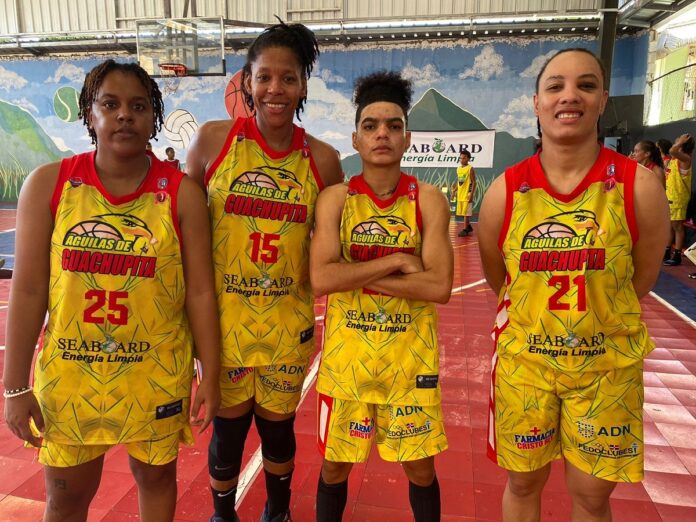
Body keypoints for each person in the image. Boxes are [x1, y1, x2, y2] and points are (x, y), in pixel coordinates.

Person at [2, 59, 221, 522]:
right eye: (110, 104)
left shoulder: (180, 194)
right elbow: (28, 291)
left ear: (153, 117)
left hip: (156, 374)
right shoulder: (50, 184)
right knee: (65, 499)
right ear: (90, 113)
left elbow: (200, 293)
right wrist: (15, 386)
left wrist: (211, 374)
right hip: (72, 378)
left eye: (139, 106)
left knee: (156, 481)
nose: (125, 115)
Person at [478, 48, 669, 522]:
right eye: (555, 86)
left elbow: (640, 280)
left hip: (606, 369)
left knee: (591, 495)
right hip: (526, 366)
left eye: (586, 85)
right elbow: (499, 278)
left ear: (603, 100)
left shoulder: (638, 186)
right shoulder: (505, 191)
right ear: (537, 102)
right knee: (523, 483)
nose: (570, 96)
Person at [185, 21, 342, 522]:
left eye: (288, 78)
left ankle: (278, 512)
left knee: (277, 432)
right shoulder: (212, 142)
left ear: (303, 86)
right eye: (265, 77)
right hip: (223, 325)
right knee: (228, 431)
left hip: (286, 328)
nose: (276, 89)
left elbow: (332, 251)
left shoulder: (323, 160)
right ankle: (223, 515)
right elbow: (183, 237)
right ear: (247, 83)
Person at [310, 71, 453, 522]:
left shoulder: (427, 199)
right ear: (356, 138)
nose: (382, 134)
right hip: (346, 364)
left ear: (407, 138)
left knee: (421, 469)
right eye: (371, 126)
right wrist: (396, 261)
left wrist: (351, 273)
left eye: (393, 125)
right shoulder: (336, 199)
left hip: (411, 365)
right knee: (334, 468)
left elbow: (439, 287)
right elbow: (321, 278)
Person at [663, 133, 694, 266]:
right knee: (670, 226)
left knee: (677, 226)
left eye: (678, 141)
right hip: (670, 197)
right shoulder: (674, 159)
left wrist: (680, 141)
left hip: (678, 198)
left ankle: (677, 256)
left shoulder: (685, 158)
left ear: (682, 145)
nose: (675, 141)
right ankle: (666, 251)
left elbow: (672, 150)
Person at [453, 149, 477, 236]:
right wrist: (454, 191)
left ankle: (465, 229)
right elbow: (460, 181)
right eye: (461, 158)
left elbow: (474, 182)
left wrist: (471, 194)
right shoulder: (458, 169)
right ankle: (468, 226)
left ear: (468, 159)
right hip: (460, 194)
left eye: (464, 158)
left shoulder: (470, 169)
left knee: (466, 213)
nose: (462, 160)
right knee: (463, 212)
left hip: (467, 194)